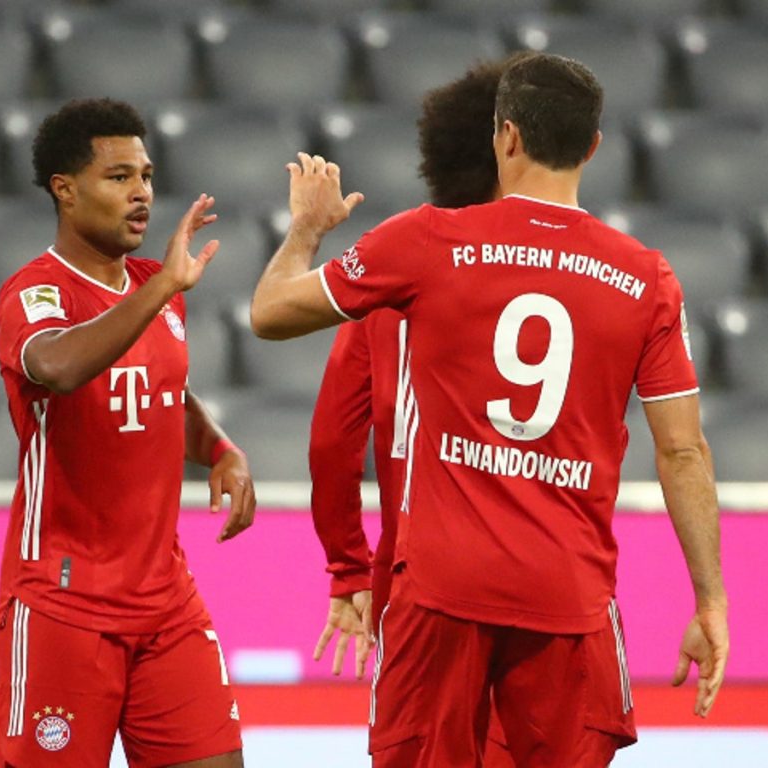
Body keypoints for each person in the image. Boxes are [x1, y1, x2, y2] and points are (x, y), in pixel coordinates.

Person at [252, 52, 729, 767]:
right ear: (593, 147)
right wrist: (709, 601)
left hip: (440, 591)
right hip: (569, 597)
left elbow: (268, 314)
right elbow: (683, 451)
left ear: (506, 135)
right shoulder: (647, 279)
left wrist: (307, 230)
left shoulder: (426, 240)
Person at [0, 97, 255, 768]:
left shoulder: (155, 291)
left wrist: (219, 448)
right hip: (63, 604)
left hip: (165, 599)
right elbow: (59, 367)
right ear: (65, 189)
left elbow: (166, 394)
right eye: (118, 177)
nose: (141, 193)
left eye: (146, 176)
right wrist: (161, 288)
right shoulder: (35, 293)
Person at [308, 60, 515, 768]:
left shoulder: (393, 266)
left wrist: (348, 568)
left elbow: (332, 440)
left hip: (418, 582)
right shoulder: (575, 272)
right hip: (544, 584)